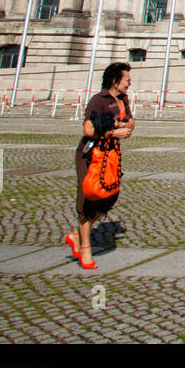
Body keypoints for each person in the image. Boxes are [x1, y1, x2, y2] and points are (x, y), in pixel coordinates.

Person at [65, 62, 135, 270]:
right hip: (90, 154)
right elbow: (88, 129)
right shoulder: (99, 100)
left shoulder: (122, 100)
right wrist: (113, 132)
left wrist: (121, 125)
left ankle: (77, 235)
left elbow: (131, 122)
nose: (129, 84)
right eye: (127, 80)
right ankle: (85, 250)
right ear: (115, 81)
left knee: (110, 196)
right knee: (88, 199)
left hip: (111, 155)